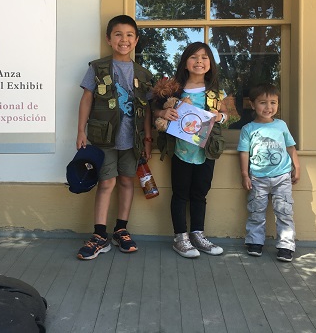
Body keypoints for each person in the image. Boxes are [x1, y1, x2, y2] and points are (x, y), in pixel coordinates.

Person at [75, 14, 154, 260]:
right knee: (106, 183)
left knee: (127, 182)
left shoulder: (143, 72)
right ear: (109, 39)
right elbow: (87, 98)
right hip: (103, 138)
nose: (124, 40)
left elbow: (149, 109)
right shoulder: (97, 68)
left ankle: (121, 229)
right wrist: (80, 130)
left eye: (130, 35)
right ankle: (99, 234)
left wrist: (148, 139)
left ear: (136, 40)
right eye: (118, 34)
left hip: (133, 140)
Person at [152, 42, 227, 258]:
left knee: (200, 194)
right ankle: (180, 238)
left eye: (204, 58)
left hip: (205, 152)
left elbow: (229, 115)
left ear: (210, 64)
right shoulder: (173, 90)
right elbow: (155, 110)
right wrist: (163, 114)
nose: (199, 62)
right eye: (194, 57)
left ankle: (197, 235)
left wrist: (220, 116)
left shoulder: (215, 92)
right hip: (180, 151)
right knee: (180, 194)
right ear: (185, 62)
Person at [237, 83, 300, 262]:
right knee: (256, 211)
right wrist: (244, 174)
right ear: (253, 104)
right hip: (257, 177)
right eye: (263, 103)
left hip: (282, 177)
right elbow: (244, 152)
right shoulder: (248, 129)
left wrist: (297, 167)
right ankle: (255, 242)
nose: (269, 107)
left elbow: (290, 146)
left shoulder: (281, 125)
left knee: (284, 212)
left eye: (273, 102)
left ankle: (286, 245)